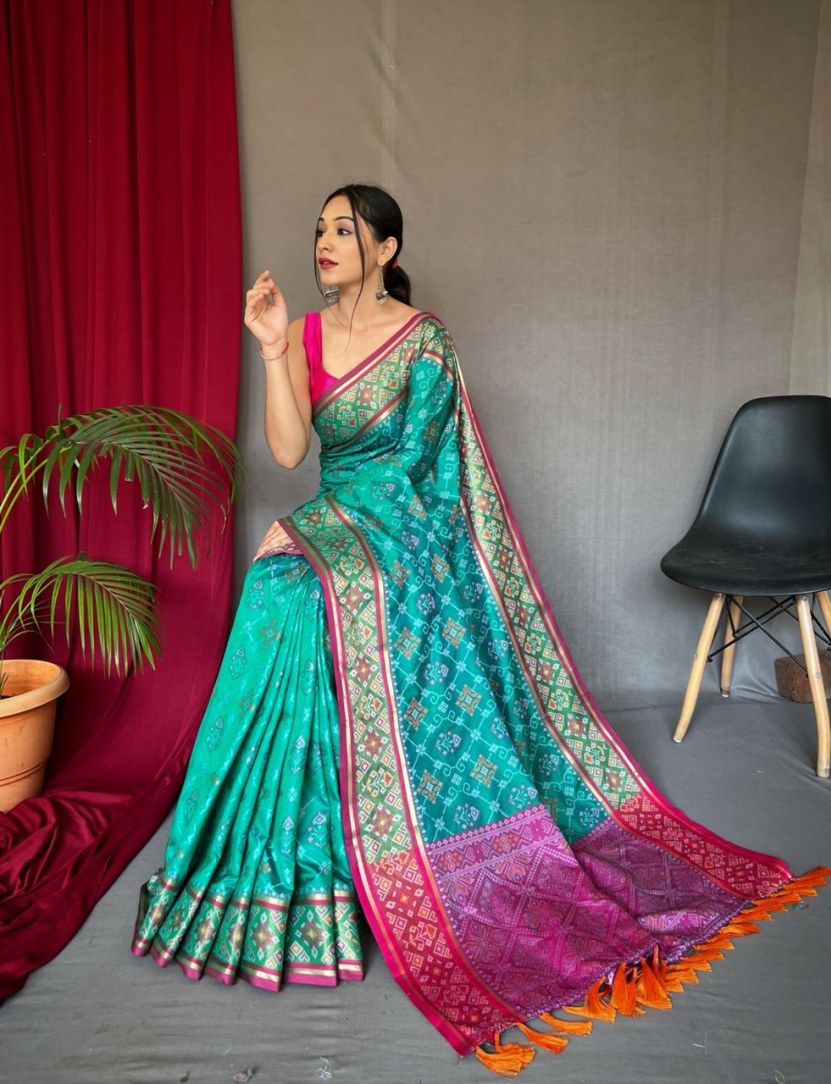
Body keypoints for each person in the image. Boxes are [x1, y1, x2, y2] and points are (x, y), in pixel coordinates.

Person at [132, 183, 826, 1075]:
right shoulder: (301, 333)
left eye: (343, 229)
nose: (323, 243)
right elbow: (293, 453)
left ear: (386, 248)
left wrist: (350, 545)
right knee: (279, 593)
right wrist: (269, 348)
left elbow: (421, 483)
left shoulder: (424, 342)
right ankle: (285, 857)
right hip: (335, 522)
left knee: (320, 590)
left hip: (405, 534)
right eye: (319, 230)